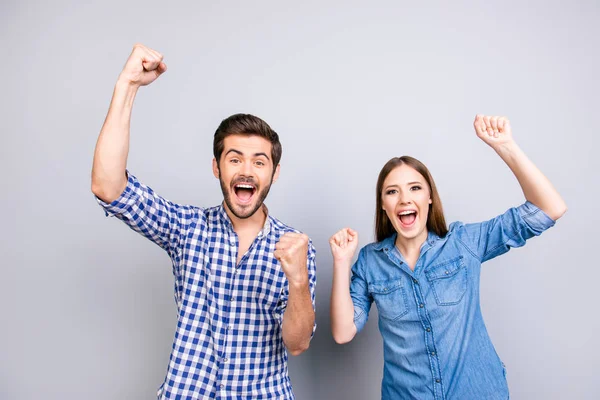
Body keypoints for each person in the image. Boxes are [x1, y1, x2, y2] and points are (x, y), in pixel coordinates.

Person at [91, 44, 316, 400]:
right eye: (234, 159)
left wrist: (298, 280)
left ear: (274, 172)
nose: (246, 170)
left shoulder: (295, 247)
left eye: (259, 161)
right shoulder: (187, 229)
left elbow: (298, 342)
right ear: (217, 167)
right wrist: (127, 85)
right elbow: (108, 186)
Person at [329, 114, 567, 399]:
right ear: (383, 205)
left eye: (415, 188)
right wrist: (342, 262)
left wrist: (505, 146)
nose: (405, 199)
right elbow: (343, 332)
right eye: (393, 192)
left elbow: (549, 209)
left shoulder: (463, 242)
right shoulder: (370, 261)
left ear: (429, 196)